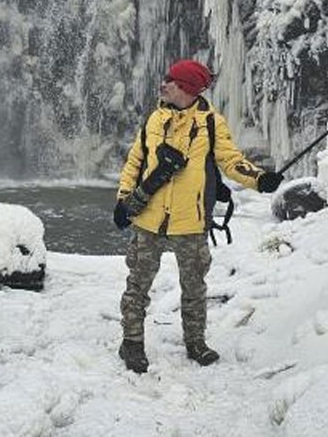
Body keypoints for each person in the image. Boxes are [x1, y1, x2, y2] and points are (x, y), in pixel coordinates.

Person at [112, 59, 282, 373]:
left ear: (187, 89)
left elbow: (231, 161)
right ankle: (131, 342)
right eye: (165, 79)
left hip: (190, 221)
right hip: (148, 218)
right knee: (137, 284)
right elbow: (135, 161)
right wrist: (124, 199)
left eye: (171, 82)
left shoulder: (211, 123)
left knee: (194, 287)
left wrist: (259, 179)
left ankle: (196, 342)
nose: (163, 84)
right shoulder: (154, 117)